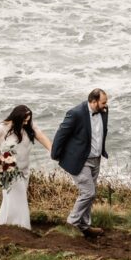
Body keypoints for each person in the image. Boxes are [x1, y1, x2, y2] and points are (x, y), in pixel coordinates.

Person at [51, 88, 109, 237]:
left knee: (91, 193)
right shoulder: (76, 113)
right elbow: (61, 133)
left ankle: (85, 226)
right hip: (80, 160)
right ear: (94, 101)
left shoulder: (103, 111)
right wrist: (55, 154)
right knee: (88, 192)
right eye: (103, 102)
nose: (106, 105)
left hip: (96, 159)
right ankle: (71, 223)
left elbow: (101, 132)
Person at [0, 105, 52, 230]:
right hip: (9, 171)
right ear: (16, 118)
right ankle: (22, 228)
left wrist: (52, 150)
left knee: (11, 200)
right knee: (18, 199)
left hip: (24, 170)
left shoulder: (29, 127)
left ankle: (4, 226)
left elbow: (41, 137)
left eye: (28, 120)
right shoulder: (0, 129)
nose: (26, 123)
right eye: (24, 120)